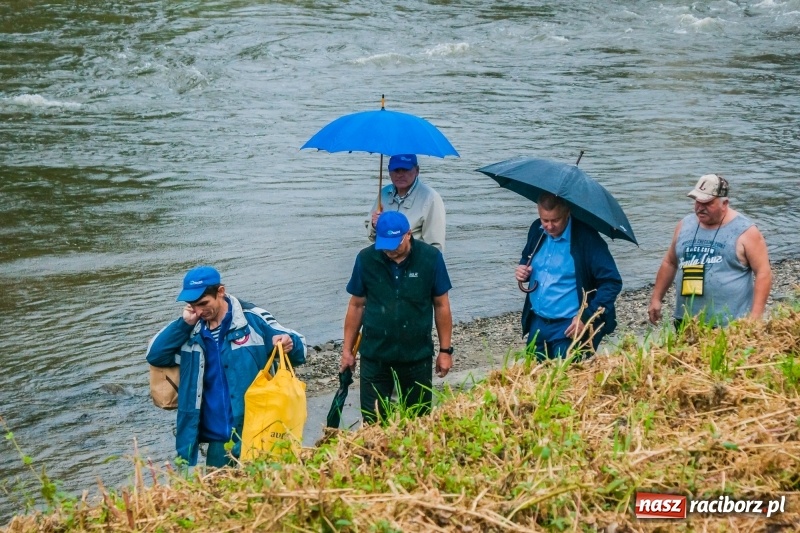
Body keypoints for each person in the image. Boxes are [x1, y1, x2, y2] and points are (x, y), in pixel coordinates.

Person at [146, 266, 306, 468]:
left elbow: (300, 349)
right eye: (192, 305)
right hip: (217, 439)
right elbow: (155, 355)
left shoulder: (253, 319)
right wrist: (183, 324)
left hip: (257, 430)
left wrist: (289, 343)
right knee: (218, 495)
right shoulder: (189, 330)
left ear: (220, 291)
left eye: (204, 303)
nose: (198, 311)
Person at [342, 211, 453, 424]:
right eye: (384, 244)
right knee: (373, 421)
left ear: (408, 234)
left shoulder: (430, 258)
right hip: (375, 356)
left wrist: (445, 351)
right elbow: (356, 306)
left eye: (395, 244)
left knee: (418, 420)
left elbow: (441, 305)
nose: (389, 250)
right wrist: (347, 351)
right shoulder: (366, 259)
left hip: (416, 356)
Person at [648, 174, 772, 327]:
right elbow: (670, 262)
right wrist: (656, 298)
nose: (700, 208)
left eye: (706, 203)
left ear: (724, 203)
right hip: (686, 319)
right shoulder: (684, 225)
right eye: (697, 202)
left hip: (729, 323)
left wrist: (755, 317)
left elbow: (763, 273)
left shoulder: (745, 231)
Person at [515, 193, 622, 361]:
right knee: (534, 380)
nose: (549, 226)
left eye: (555, 220)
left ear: (567, 213)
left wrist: (586, 317)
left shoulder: (587, 238)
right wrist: (523, 271)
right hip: (538, 323)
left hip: (570, 327)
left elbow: (612, 282)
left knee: (565, 382)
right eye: (545, 220)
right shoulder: (537, 230)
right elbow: (527, 257)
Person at [366, 154, 446, 252]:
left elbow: (435, 247)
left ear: (417, 171)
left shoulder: (431, 198)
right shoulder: (383, 193)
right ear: (389, 171)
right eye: (396, 170)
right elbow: (372, 237)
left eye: (405, 170)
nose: (400, 175)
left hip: (414, 261)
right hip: (385, 258)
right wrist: (375, 225)